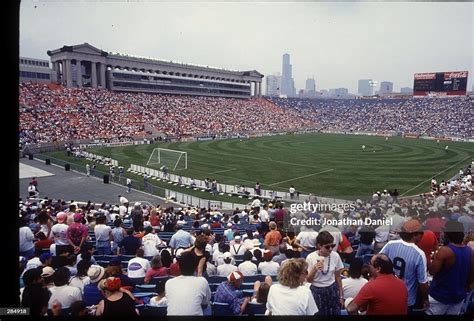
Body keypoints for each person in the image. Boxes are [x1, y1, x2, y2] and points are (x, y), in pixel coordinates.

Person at [380, 219, 428, 314]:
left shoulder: (390, 244)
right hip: (406, 299)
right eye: (420, 234)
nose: (422, 236)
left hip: (387, 294)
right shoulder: (419, 253)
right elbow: (423, 283)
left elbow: (375, 262)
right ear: (414, 235)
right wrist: (425, 298)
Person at [426, 221, 474, 315]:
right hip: (458, 296)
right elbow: (471, 274)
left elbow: (432, 271)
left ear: (448, 234)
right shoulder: (470, 251)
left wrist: (435, 256)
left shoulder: (444, 251)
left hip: (440, 296)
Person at [306, 231, 345, 315]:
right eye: (327, 247)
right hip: (316, 290)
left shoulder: (335, 256)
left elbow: (338, 277)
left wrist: (341, 296)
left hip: (332, 289)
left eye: (332, 246)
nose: (331, 249)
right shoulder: (311, 257)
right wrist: (314, 269)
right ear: (319, 246)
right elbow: (308, 280)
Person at [165, 251, 211, 315]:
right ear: (195, 268)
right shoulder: (202, 281)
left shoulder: (168, 283)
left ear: (178, 267)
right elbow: (205, 303)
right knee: (208, 307)